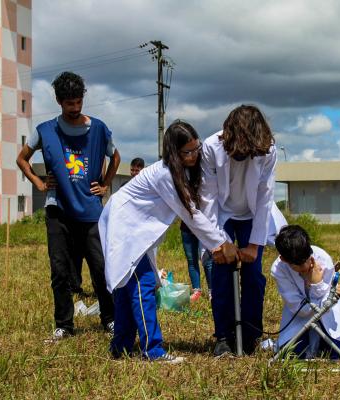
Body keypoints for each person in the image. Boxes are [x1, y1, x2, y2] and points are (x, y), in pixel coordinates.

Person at [99, 120, 239, 363]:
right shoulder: (165, 174)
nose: (194, 155)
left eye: (196, 149)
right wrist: (220, 244)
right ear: (174, 152)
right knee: (142, 286)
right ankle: (152, 351)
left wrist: (217, 241)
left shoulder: (182, 171)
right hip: (124, 227)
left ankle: (120, 346)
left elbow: (198, 208)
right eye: (188, 152)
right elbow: (190, 213)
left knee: (127, 287)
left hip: (133, 230)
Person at [16, 71, 118, 342]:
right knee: (60, 271)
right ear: (59, 102)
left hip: (91, 212)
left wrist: (105, 184)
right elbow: (22, 159)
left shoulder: (98, 128)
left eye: (78, 102)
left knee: (100, 268)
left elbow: (115, 156)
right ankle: (64, 325)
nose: (75, 108)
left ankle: (110, 319)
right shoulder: (45, 130)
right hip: (57, 210)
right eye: (69, 103)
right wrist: (39, 182)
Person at [200, 104, 285, 356]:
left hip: (252, 214)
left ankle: (250, 336)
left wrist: (254, 245)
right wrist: (217, 243)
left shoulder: (268, 149)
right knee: (221, 274)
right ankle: (224, 336)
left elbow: (264, 197)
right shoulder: (210, 146)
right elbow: (208, 198)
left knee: (253, 275)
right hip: (222, 213)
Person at [271, 225, 340, 359]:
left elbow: (328, 305)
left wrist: (319, 285)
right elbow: (300, 308)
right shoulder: (279, 269)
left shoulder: (322, 258)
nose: (306, 266)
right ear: (284, 259)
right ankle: (316, 344)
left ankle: (323, 344)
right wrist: (317, 283)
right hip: (299, 318)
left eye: (307, 259)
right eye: (299, 265)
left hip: (328, 315)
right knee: (292, 354)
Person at [180, 221, 213, 302]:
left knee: (207, 261)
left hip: (203, 228)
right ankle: (196, 291)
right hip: (186, 228)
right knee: (191, 261)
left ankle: (212, 291)